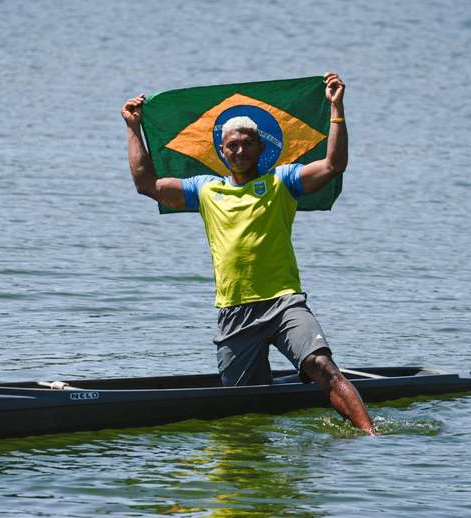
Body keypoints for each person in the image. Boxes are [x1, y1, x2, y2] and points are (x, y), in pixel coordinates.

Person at [121, 73, 376, 434]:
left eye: (245, 144)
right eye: (231, 146)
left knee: (322, 366)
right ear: (221, 151)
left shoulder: (282, 182)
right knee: (245, 408)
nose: (238, 151)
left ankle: (372, 437)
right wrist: (133, 128)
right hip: (235, 312)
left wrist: (337, 109)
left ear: (260, 148)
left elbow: (333, 165)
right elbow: (146, 184)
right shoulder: (205, 190)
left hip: (284, 304)